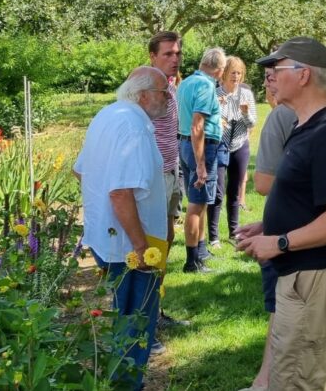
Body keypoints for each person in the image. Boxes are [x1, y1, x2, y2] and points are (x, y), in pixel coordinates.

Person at [236, 37, 326, 391]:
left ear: (303, 75)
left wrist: (279, 240)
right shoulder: (304, 127)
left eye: (277, 69)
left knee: (296, 380)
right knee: (300, 374)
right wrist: (269, 224)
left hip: (315, 272)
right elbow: (312, 200)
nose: (270, 78)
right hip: (300, 270)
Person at [74, 67, 170, 390]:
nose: (168, 99)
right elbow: (120, 192)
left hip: (111, 239)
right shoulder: (134, 128)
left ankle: (121, 381)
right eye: (163, 92)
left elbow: (81, 172)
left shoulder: (108, 114)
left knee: (124, 319)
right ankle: (127, 384)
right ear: (142, 95)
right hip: (132, 246)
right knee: (135, 323)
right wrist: (142, 246)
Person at [146, 32, 189, 338]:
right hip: (154, 175)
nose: (174, 59)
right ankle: (146, 319)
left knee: (167, 240)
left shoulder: (171, 85)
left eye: (177, 54)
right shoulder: (147, 88)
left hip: (172, 172)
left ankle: (156, 311)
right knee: (151, 247)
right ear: (153, 57)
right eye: (168, 54)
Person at [176, 47, 225, 273]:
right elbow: (198, 125)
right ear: (220, 69)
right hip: (201, 148)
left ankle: (201, 251)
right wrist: (202, 163)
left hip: (184, 143)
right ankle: (192, 262)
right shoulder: (206, 85)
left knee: (201, 201)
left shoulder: (186, 82)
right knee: (196, 205)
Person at [208, 56, 257, 248]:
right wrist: (217, 112)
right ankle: (213, 237)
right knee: (218, 192)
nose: (236, 77)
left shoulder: (246, 94)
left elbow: (252, 123)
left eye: (239, 73)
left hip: (240, 145)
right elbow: (207, 121)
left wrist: (245, 113)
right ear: (224, 74)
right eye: (232, 73)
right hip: (219, 146)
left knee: (235, 192)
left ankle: (234, 233)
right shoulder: (215, 93)